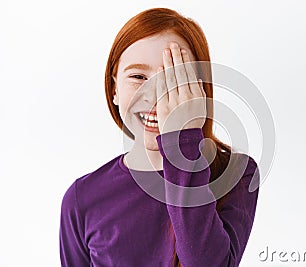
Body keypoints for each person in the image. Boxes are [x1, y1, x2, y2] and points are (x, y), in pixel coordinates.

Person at [59, 7, 260, 267]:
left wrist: (183, 140)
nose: (155, 97)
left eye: (175, 80)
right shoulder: (82, 198)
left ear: (200, 91)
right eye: (138, 77)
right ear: (114, 90)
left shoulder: (236, 173)